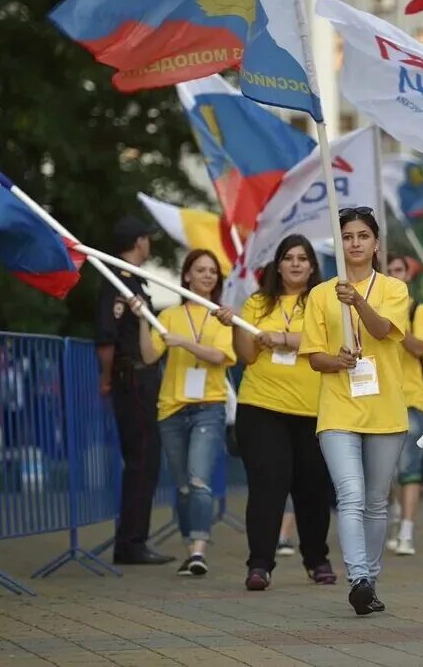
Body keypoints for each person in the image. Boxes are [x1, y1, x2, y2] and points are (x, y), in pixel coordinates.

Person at [300, 207, 409, 616]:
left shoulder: (395, 289)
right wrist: (337, 360)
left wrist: (357, 301)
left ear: (376, 243)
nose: (356, 243)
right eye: (347, 236)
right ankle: (358, 577)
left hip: (384, 407)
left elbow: (383, 331)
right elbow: (313, 357)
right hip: (338, 407)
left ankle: (371, 580)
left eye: (363, 235)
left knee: (377, 501)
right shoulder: (319, 294)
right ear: (339, 244)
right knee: (350, 494)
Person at [216, 235, 337, 591]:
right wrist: (238, 324)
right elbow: (247, 355)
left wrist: (282, 339)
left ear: (313, 265)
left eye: (303, 258)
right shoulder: (257, 302)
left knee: (312, 489)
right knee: (268, 487)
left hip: (313, 409)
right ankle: (259, 565)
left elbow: (329, 343)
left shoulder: (323, 302)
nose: (296, 264)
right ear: (278, 265)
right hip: (261, 406)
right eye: (288, 258)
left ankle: (317, 560)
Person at [129, 249, 235, 576]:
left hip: (209, 407)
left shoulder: (221, 315)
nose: (207, 276)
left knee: (199, 480)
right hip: (172, 410)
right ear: (187, 275)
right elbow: (149, 356)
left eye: (212, 272)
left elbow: (220, 356)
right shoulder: (171, 317)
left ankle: (199, 549)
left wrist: (184, 343)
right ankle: (191, 548)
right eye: (200, 270)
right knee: (183, 486)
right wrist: (143, 320)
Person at [96, 216, 173, 565]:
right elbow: (107, 337)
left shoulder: (132, 282)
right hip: (133, 378)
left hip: (139, 377)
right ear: (139, 242)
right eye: (147, 239)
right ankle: (131, 542)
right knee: (143, 459)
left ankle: (134, 538)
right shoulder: (119, 282)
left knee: (146, 459)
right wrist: (107, 377)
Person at [386, 254, 423, 557]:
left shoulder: (422, 310)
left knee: (409, 468)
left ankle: (406, 531)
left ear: (408, 275)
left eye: (399, 270)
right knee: (386, 471)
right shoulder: (377, 307)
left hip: (412, 399)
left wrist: (394, 322)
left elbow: (420, 347)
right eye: (389, 271)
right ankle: (394, 514)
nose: (394, 275)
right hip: (382, 397)